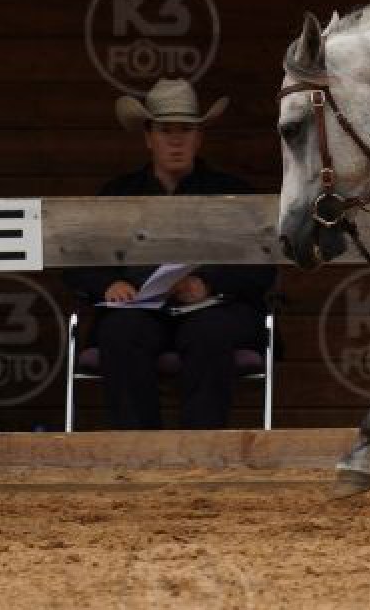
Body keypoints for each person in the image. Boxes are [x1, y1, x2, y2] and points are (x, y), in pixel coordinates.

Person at [63, 79, 277, 429]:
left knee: (210, 332)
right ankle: (139, 450)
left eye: (186, 130)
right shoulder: (118, 194)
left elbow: (262, 265)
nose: (176, 141)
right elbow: (76, 258)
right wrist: (109, 284)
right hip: (138, 310)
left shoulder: (233, 194)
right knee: (121, 332)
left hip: (213, 309)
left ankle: (201, 450)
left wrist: (208, 284)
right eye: (165, 131)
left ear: (199, 137)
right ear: (148, 138)